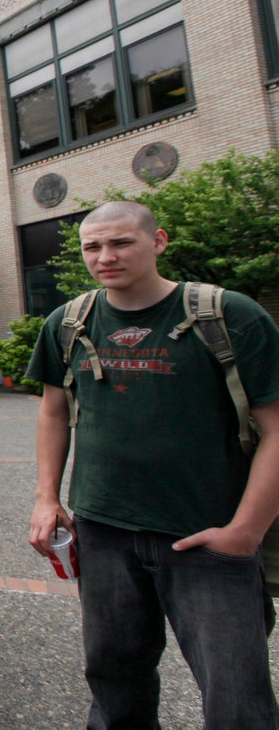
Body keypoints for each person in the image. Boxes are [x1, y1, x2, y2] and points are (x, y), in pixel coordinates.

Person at [26, 199, 279, 729]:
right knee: (116, 686)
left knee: (237, 701)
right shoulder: (69, 321)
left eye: (121, 242)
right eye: (92, 247)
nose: (105, 256)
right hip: (103, 533)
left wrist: (245, 531)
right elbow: (54, 411)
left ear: (158, 241)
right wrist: (47, 497)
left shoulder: (228, 315)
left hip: (207, 537)